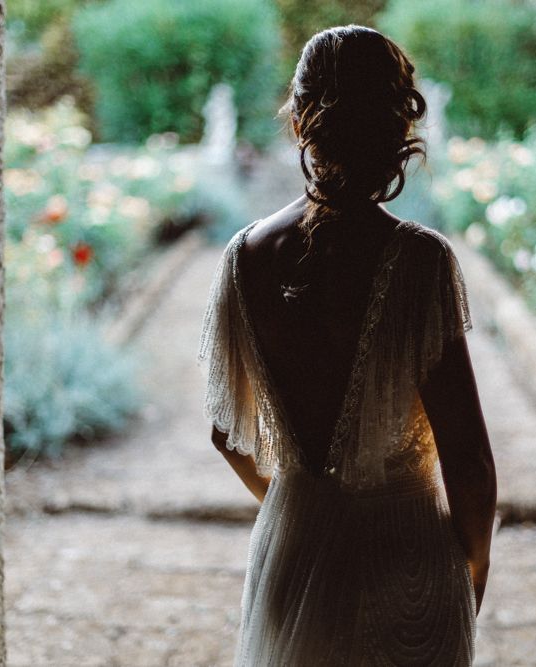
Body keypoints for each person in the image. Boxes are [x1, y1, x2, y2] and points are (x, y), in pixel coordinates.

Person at [197, 25, 497, 665]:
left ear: (302, 119)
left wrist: (303, 508)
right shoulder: (420, 262)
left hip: (295, 552)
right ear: (397, 124)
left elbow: (227, 432)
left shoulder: (242, 257)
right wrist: (472, 569)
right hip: (407, 564)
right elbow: (467, 458)